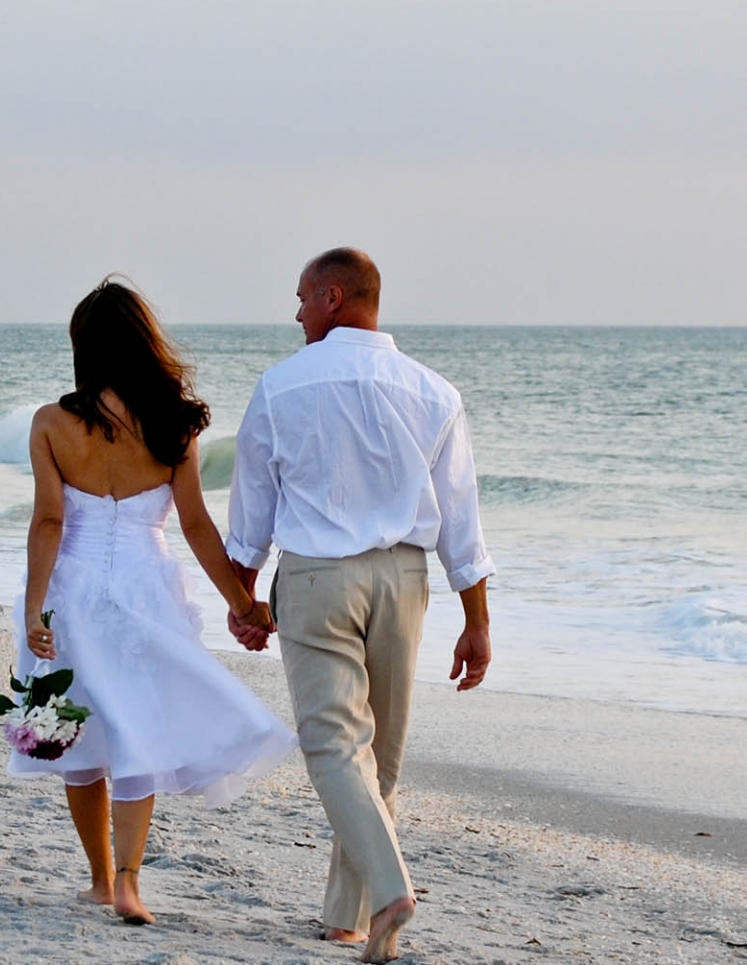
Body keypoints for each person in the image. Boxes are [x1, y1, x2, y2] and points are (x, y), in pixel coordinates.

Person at [224, 248, 495, 963]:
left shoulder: (281, 387)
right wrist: (478, 621)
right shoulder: (435, 391)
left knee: (334, 745)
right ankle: (348, 920)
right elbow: (461, 519)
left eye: (303, 299)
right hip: (405, 582)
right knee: (380, 758)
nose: (296, 312)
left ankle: (388, 890)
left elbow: (253, 506)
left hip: (318, 577)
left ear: (335, 297)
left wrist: (243, 594)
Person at [10, 276, 298, 925]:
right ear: (146, 343)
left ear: (85, 347)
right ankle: (129, 882)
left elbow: (49, 522)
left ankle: (99, 877)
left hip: (73, 591)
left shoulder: (53, 424)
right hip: (146, 589)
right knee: (139, 731)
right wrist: (243, 603)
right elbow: (196, 526)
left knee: (75, 732)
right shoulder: (175, 422)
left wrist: (33, 610)